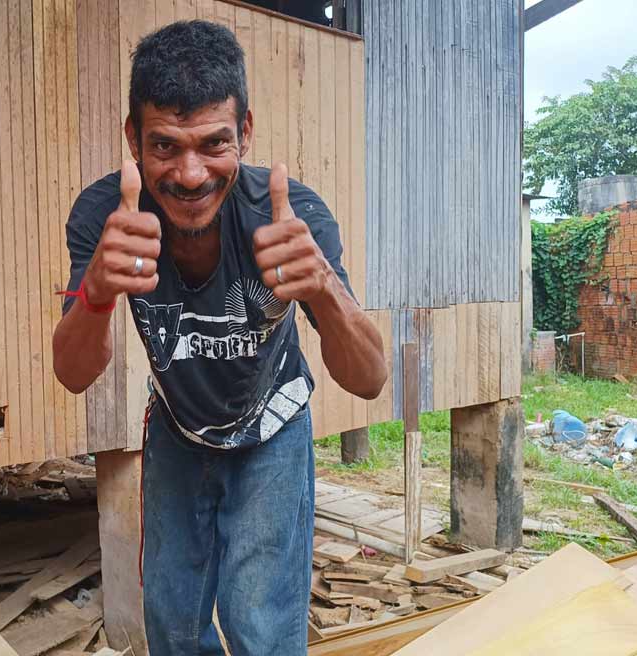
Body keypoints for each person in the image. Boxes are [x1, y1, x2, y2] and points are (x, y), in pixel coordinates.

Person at [52, 19, 387, 656]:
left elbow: (369, 378)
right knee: (173, 624)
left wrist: (322, 287)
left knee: (259, 624)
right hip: (179, 427)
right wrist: (95, 291)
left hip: (273, 422)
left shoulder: (291, 215)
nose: (190, 174)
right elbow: (72, 371)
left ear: (246, 133)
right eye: (165, 146)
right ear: (132, 138)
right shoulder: (105, 215)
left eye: (214, 144)